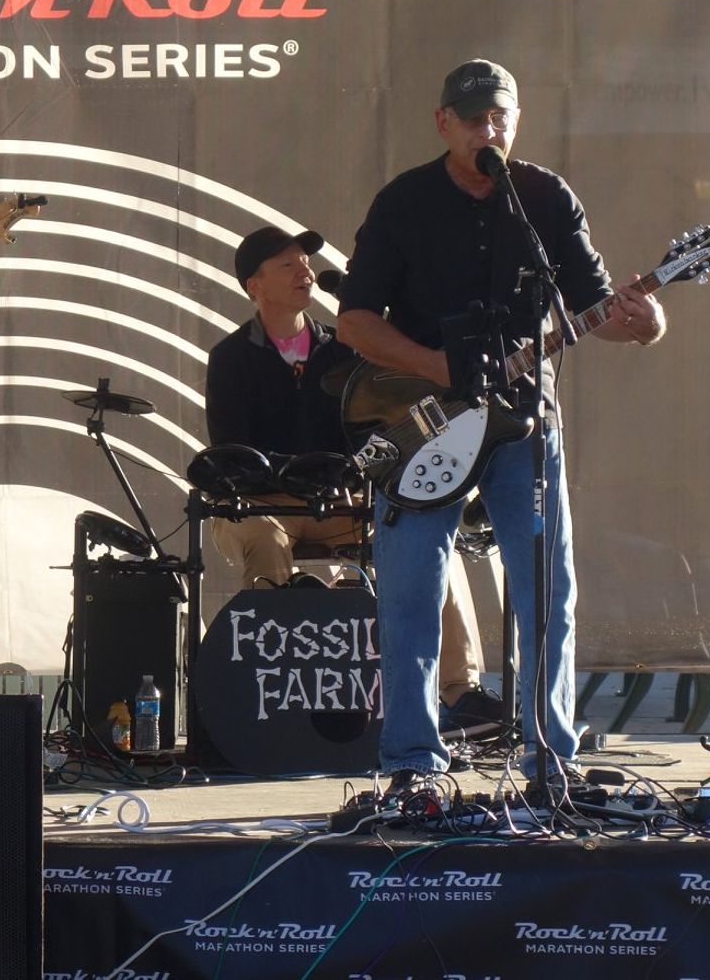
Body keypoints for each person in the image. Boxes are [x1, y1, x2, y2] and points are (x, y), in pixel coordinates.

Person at [335, 59, 666, 788]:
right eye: (474, 119)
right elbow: (354, 320)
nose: (488, 130)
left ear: (516, 122)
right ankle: (412, 762)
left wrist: (646, 323)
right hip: (425, 421)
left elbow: (594, 307)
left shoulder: (545, 197)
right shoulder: (403, 202)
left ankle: (550, 758)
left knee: (548, 589)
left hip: (523, 421)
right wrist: (434, 366)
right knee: (412, 592)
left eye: (500, 118)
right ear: (443, 123)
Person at [205, 227, 500, 726]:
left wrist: (354, 469)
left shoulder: (343, 350)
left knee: (429, 541)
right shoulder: (230, 357)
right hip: (265, 504)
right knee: (263, 539)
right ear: (255, 286)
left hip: (340, 501)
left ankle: (459, 691)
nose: (304, 271)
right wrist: (293, 475)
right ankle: (272, 691)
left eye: (304, 262)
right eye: (287, 264)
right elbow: (231, 452)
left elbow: (371, 429)